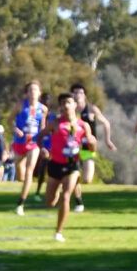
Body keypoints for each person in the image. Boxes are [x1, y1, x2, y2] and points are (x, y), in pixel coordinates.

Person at [39, 92, 95, 242]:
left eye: (69, 102)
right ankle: (57, 196)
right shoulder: (55, 123)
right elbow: (40, 136)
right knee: (50, 202)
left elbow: (92, 148)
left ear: (75, 105)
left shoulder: (83, 126)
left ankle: (58, 232)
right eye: (63, 103)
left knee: (66, 196)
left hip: (72, 165)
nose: (66, 106)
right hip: (55, 164)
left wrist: (91, 142)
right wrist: (43, 149)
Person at [71, 83, 116, 212]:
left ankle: (74, 185)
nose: (77, 95)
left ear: (84, 95)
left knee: (87, 179)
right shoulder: (70, 110)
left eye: (80, 92)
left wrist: (107, 140)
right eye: (75, 92)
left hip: (88, 148)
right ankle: (78, 201)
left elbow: (106, 123)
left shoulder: (91, 109)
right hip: (72, 147)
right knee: (73, 173)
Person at [11, 81, 47, 215]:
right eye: (30, 90)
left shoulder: (43, 109)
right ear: (26, 93)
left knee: (29, 171)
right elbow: (10, 120)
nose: (33, 93)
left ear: (39, 93)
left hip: (33, 143)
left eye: (35, 90)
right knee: (20, 174)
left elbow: (42, 127)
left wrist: (43, 144)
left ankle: (21, 203)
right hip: (20, 143)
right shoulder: (20, 106)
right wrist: (15, 129)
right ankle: (23, 188)